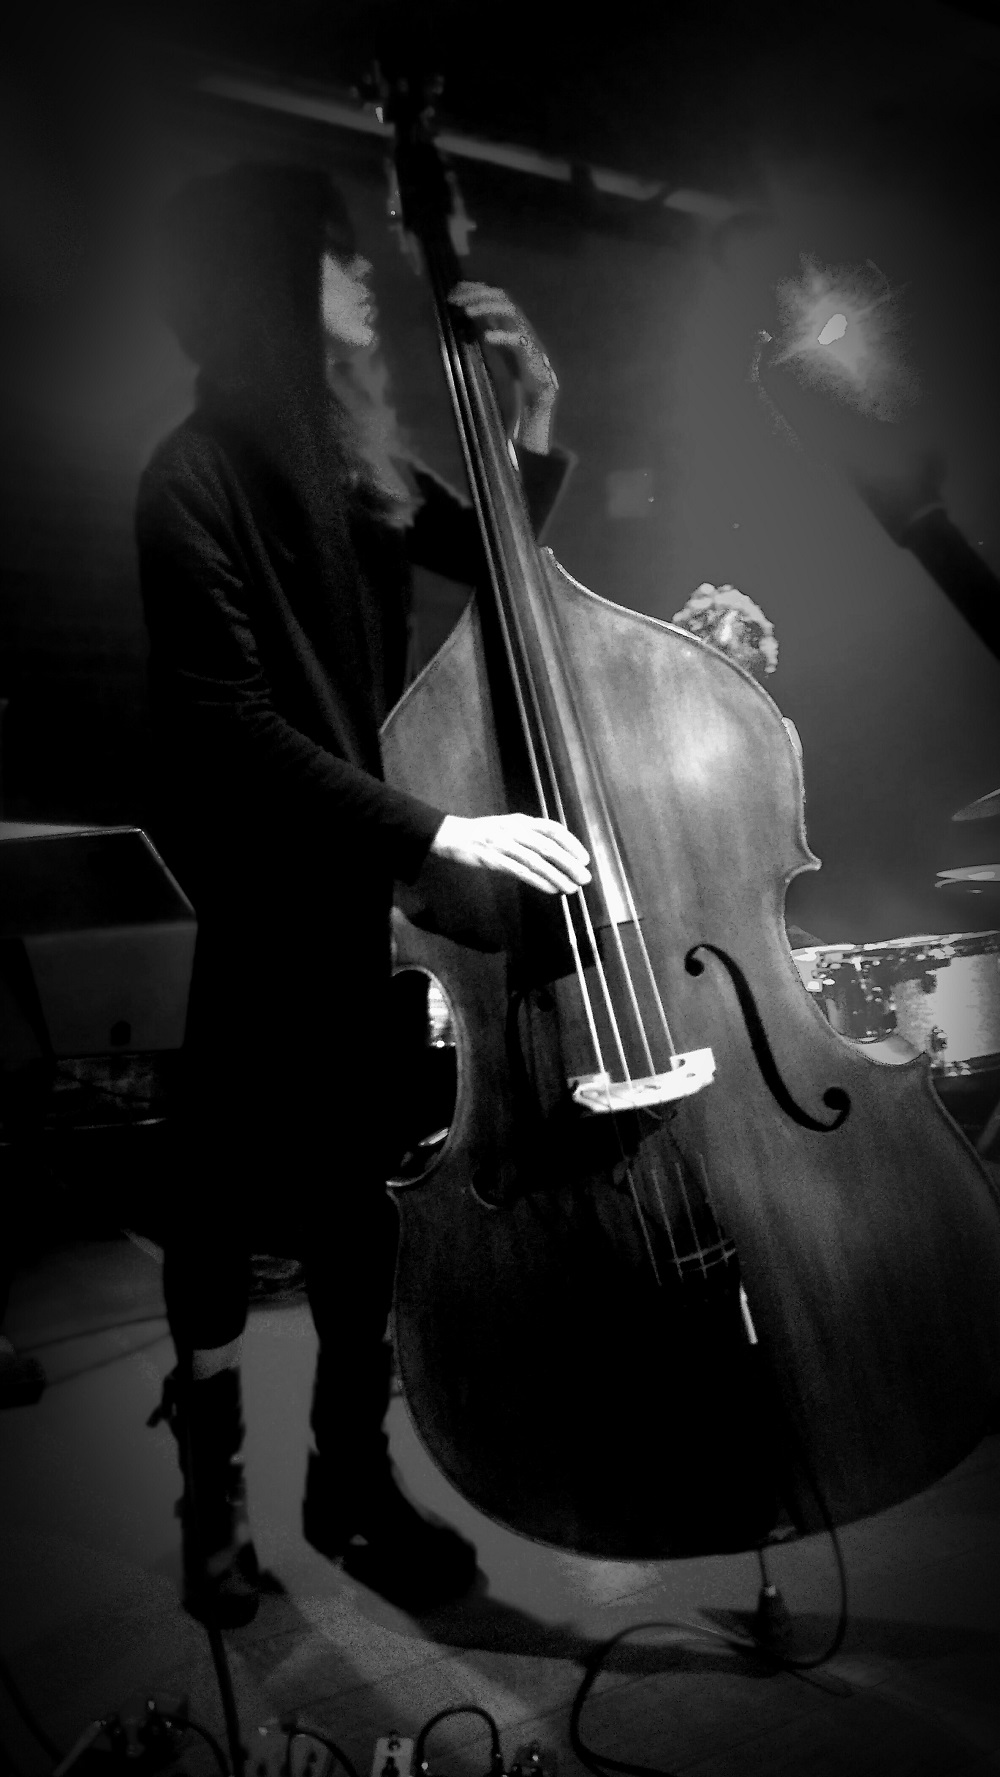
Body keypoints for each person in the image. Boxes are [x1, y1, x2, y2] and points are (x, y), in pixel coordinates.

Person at [136, 161, 590, 1627]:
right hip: (261, 899)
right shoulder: (189, 478)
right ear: (273, 279)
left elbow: (505, 564)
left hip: (356, 904)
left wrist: (532, 417)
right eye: (337, 260)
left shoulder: (362, 465)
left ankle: (351, 1483)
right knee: (214, 1212)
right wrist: (440, 831)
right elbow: (227, 726)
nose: (363, 286)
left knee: (360, 1212)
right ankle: (214, 1501)